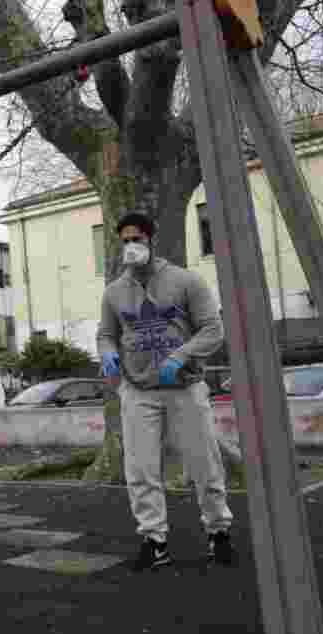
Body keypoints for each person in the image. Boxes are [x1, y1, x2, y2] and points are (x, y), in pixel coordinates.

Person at [96, 211, 236, 572]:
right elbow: (106, 333)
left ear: (150, 240)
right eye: (125, 241)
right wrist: (108, 352)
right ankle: (154, 541)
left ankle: (218, 532)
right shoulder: (114, 292)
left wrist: (181, 355)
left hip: (184, 388)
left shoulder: (186, 281)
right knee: (140, 469)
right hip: (139, 390)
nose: (131, 247)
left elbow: (212, 329)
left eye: (136, 239)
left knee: (204, 463)